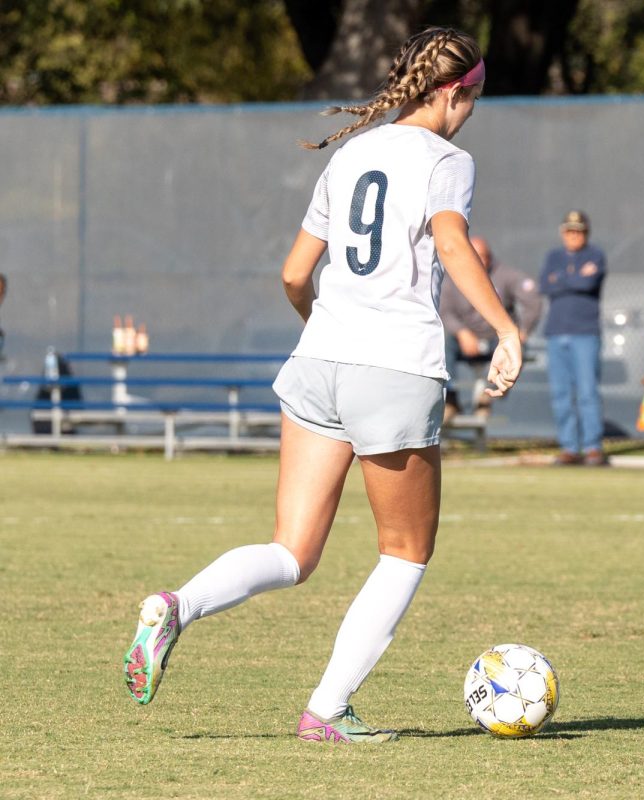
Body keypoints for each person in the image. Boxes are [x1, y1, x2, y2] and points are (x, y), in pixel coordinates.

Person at [121, 27, 522, 743]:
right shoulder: (447, 160)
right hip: (392, 370)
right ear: (451, 93)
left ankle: (177, 605)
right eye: (474, 98)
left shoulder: (353, 153)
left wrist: (328, 329)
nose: (472, 113)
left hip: (316, 364)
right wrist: (505, 330)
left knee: (291, 552)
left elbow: (293, 274)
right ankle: (327, 711)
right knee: (405, 552)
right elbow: (454, 243)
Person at [442, 235, 541, 421]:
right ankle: (450, 399)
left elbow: (532, 297)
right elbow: (444, 310)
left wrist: (520, 332)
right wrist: (462, 333)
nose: (480, 261)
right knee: (442, 344)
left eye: (484, 256)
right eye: (475, 256)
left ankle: (489, 396)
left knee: (516, 346)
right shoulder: (453, 278)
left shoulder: (505, 275)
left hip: (497, 336)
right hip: (466, 336)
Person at [538, 209, 609, 466]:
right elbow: (545, 285)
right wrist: (575, 277)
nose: (573, 236)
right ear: (562, 232)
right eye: (569, 231)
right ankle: (569, 446)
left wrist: (564, 279)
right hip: (556, 333)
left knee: (588, 391)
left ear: (586, 233)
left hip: (585, 333)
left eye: (578, 231)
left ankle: (592, 446)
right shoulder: (554, 256)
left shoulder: (595, 255)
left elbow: (587, 285)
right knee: (561, 393)